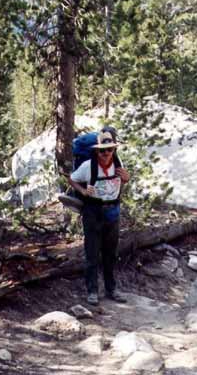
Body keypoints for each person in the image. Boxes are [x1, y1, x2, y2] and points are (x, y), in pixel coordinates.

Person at [67, 130, 130, 306]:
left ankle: (111, 289)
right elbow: (72, 179)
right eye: (102, 150)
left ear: (114, 149)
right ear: (96, 150)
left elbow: (122, 181)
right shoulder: (88, 166)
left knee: (111, 254)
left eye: (109, 149)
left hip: (113, 213)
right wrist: (82, 190)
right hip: (93, 213)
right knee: (92, 253)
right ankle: (92, 291)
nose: (106, 153)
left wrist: (127, 178)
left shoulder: (118, 163)